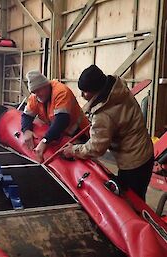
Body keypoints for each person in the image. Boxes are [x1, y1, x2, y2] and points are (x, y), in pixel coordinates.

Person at [62, 64, 154, 201]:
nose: (82, 95)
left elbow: (96, 149)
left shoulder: (103, 114)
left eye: (85, 91)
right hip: (145, 151)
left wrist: (73, 150)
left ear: (96, 89)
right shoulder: (118, 89)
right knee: (138, 195)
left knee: (133, 203)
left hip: (133, 162)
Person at [21, 70, 89, 162]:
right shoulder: (35, 97)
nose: (37, 95)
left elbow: (62, 120)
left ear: (46, 85)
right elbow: (26, 116)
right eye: (34, 92)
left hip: (79, 134)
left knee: (83, 159)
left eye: (38, 90)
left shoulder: (61, 92)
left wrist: (44, 141)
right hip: (60, 135)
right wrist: (26, 130)